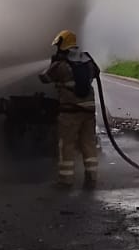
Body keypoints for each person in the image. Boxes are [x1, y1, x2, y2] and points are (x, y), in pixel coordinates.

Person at [40, 29, 101, 189]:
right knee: (88, 144)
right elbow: (97, 72)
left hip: (70, 111)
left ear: (63, 45)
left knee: (66, 145)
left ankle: (65, 181)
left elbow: (44, 78)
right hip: (88, 111)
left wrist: (52, 62)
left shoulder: (60, 65)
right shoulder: (88, 60)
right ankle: (91, 179)